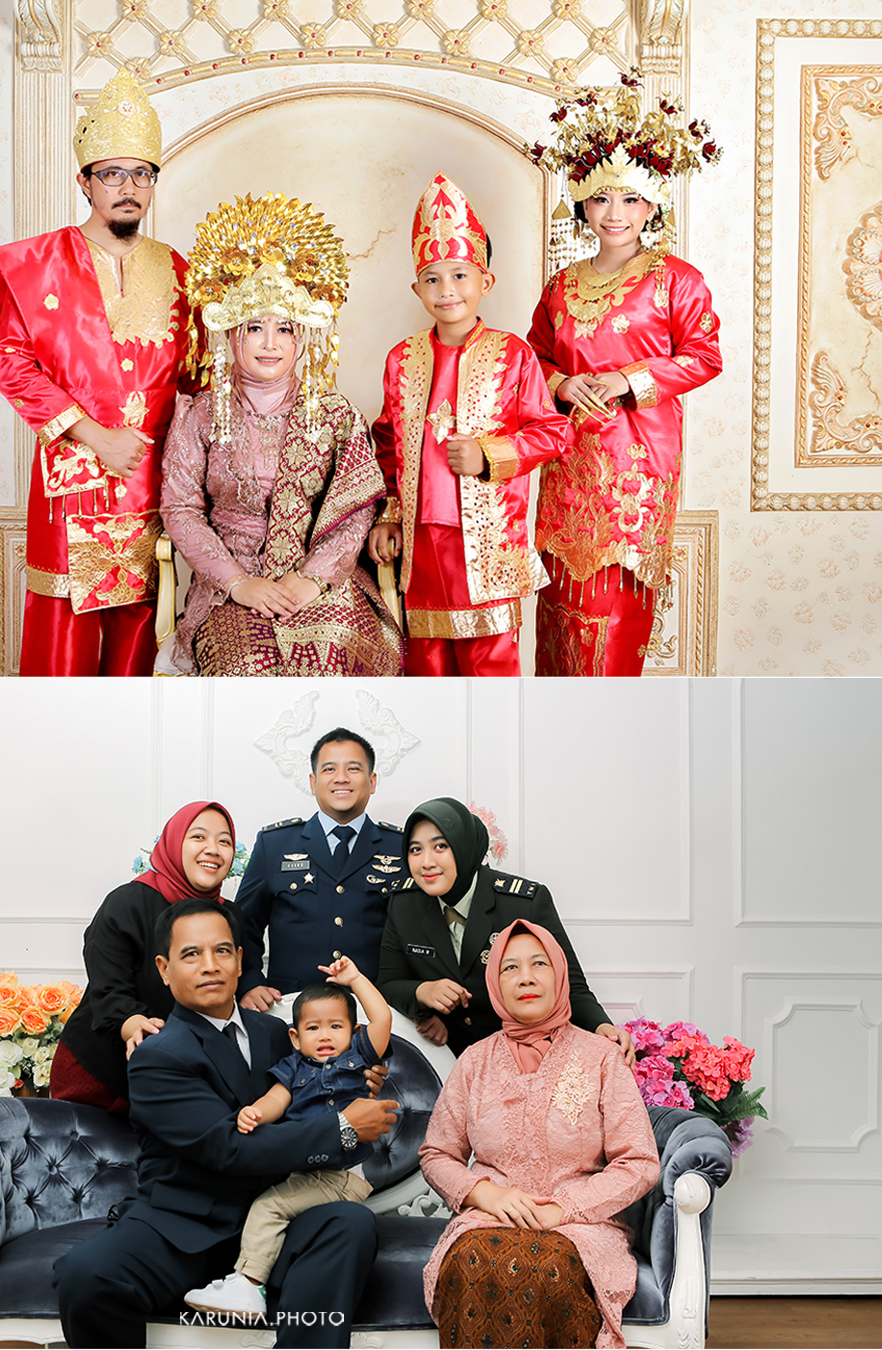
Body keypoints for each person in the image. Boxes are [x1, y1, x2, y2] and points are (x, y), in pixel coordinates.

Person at [53, 897, 399, 1349]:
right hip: (183, 1226)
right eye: (191, 954)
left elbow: (333, 1080)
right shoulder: (157, 1056)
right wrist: (343, 1128)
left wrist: (359, 1084)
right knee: (86, 1274)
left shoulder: (281, 1035)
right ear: (164, 967)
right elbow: (228, 1147)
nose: (209, 965)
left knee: (350, 1224)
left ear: (239, 960)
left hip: (275, 1215)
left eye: (222, 951)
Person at [0, 66, 192, 676]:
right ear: (85, 181)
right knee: (63, 634)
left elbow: (199, 380)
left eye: (142, 174)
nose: (128, 187)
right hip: (71, 481)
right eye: (112, 174)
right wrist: (95, 435)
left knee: (139, 633)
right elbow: (14, 367)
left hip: (154, 482)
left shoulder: (179, 268)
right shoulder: (37, 263)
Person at [525, 71, 723, 676]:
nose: (616, 213)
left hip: (636, 473)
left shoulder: (675, 280)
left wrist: (626, 380)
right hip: (566, 466)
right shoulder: (560, 285)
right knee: (559, 615)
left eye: (630, 199)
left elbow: (705, 356)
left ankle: (609, 751)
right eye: (602, 198)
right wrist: (561, 384)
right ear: (582, 203)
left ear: (652, 202)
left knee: (611, 622)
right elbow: (534, 358)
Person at [158, 193, 402, 676]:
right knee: (246, 665)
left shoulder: (334, 415)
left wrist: (312, 579)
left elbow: (357, 512)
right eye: (254, 327)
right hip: (232, 585)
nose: (270, 344)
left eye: (285, 329)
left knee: (334, 651)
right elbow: (180, 509)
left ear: (303, 338)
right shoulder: (202, 414)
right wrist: (236, 583)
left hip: (322, 581)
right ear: (230, 334)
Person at [419, 919, 659, 1349]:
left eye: (538, 964)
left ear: (560, 975)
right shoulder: (474, 1061)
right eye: (509, 968)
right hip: (489, 1219)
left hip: (579, 1226)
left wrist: (560, 1210)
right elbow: (437, 1153)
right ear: (494, 983)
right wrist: (486, 1195)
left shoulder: (601, 1058)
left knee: (548, 1266)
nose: (525, 977)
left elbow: (639, 1163)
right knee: (474, 1259)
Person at [368, 174, 571, 677]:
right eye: (433, 278)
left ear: (486, 281)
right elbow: (388, 446)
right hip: (421, 543)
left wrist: (491, 455)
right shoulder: (401, 359)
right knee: (427, 668)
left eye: (460, 275)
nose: (447, 290)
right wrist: (389, 515)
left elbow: (554, 432)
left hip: (486, 541)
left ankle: (496, 756)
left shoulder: (513, 355)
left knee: (489, 670)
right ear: (417, 287)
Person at [184, 954, 393, 1317]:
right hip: (306, 1171)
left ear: (353, 1031)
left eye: (335, 1027)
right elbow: (275, 1101)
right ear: (294, 1037)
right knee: (277, 1207)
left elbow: (383, 1017)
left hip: (341, 1176)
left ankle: (248, 1285)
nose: (325, 1035)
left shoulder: (358, 1057)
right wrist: (254, 1113)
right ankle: (254, 1278)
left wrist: (356, 978)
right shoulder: (292, 1068)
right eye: (313, 1028)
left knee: (269, 1206)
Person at [377, 797, 631, 1060]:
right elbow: (388, 983)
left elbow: (570, 985)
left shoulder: (524, 903)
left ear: (464, 845)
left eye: (441, 846)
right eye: (415, 850)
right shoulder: (404, 904)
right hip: (448, 1059)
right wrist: (423, 994)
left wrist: (602, 1027)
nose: (426, 862)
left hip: (525, 1055)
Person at [50, 801, 235, 1111]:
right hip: (102, 1073)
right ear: (174, 843)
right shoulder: (127, 902)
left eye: (224, 841)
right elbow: (106, 986)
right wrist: (131, 1022)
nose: (213, 849)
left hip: (180, 1076)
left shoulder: (230, 916)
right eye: (199, 837)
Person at [236, 728, 403, 1011]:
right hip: (289, 1009)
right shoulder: (274, 844)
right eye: (329, 769)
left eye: (353, 768)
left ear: (372, 781)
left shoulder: (400, 848)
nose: (341, 777)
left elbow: (419, 935)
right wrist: (250, 983)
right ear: (313, 782)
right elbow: (242, 928)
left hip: (377, 1012)